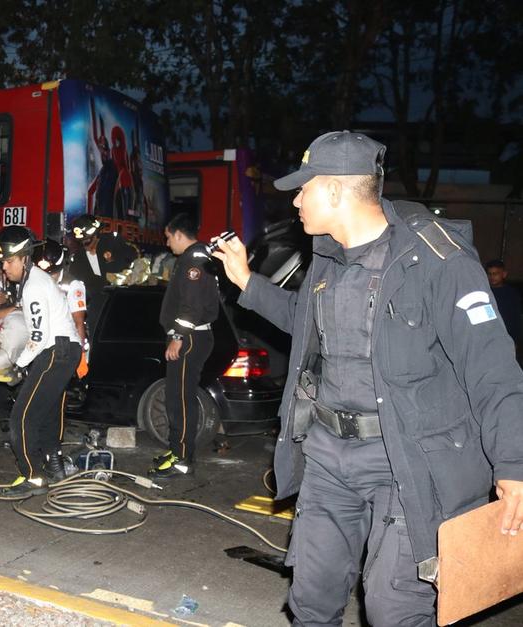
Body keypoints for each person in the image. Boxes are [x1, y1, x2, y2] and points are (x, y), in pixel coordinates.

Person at [211, 131, 523, 626]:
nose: (295, 201)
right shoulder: (327, 260)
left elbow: (493, 366)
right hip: (330, 456)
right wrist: (248, 280)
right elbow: (304, 320)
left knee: (393, 609)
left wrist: (514, 465)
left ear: (335, 191)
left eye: (303, 189)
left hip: (408, 461)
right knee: (310, 598)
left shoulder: (437, 261)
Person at [0, 226, 82, 496]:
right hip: (64, 351)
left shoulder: (33, 286)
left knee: (22, 418)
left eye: (8, 261)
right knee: (48, 412)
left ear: (24, 258)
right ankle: (54, 466)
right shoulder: (36, 280)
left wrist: (18, 363)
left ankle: (33, 476)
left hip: (55, 351)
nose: (4, 268)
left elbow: (38, 337)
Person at [149, 213, 220, 478]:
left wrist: (178, 337)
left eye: (168, 237)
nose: (167, 244)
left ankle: (181, 459)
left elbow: (191, 304)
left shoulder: (194, 259)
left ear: (179, 234)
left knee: (180, 400)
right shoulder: (197, 257)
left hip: (189, 339)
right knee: (176, 397)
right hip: (190, 337)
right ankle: (177, 449)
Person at [484, 259, 522, 348]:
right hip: (486, 336)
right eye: (489, 274)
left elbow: (515, 317)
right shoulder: (483, 292)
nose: (492, 277)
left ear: (504, 274)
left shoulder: (511, 294)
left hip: (505, 336)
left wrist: (515, 339)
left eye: (496, 273)